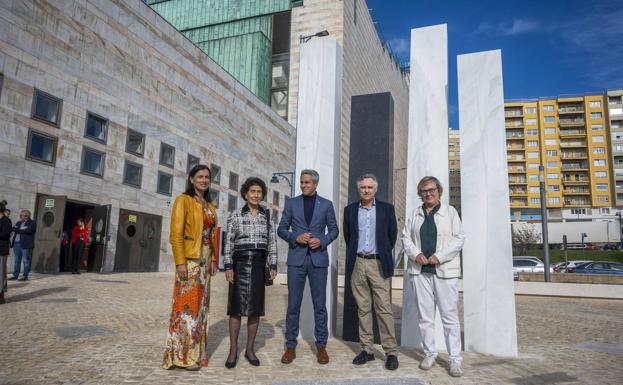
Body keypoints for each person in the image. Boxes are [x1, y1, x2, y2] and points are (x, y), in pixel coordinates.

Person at [402, 176, 465, 377]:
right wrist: (416, 255)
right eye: (424, 191)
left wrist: (439, 256)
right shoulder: (415, 213)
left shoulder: (450, 212)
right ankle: (429, 352)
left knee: (450, 318)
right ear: (420, 194)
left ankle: (455, 359)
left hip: (444, 272)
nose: (428, 194)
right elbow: (406, 238)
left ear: (439, 191)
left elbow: (459, 239)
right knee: (425, 317)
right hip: (420, 272)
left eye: (431, 190)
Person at [277, 169, 339, 365]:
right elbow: (281, 228)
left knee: (320, 306)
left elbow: (334, 230)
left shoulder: (327, 205)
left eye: (307, 182)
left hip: (318, 260)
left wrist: (321, 240)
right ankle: (290, 347)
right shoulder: (292, 203)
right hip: (296, 260)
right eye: (302, 182)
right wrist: (295, 237)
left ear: (315, 184)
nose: (303, 185)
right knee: (293, 306)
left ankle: (321, 347)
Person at [162, 164, 218, 371]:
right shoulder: (183, 200)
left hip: (205, 262)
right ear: (192, 179)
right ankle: (181, 357)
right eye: (200, 176)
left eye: (207, 177)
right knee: (185, 309)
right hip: (190, 261)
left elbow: (212, 236)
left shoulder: (210, 206)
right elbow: (175, 234)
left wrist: (213, 260)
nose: (204, 180)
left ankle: (197, 353)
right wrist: (180, 262)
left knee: (201, 309)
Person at [343, 174, 399, 370]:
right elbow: (348, 237)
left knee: (384, 308)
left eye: (369, 187)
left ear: (376, 189)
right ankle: (367, 350)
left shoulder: (386, 209)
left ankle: (391, 352)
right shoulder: (349, 210)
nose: (366, 190)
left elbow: (392, 237)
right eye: (363, 188)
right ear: (358, 190)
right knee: (363, 308)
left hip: (378, 263)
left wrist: (380, 255)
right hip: (358, 263)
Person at [223, 177, 278, 369]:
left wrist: (272, 265)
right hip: (239, 263)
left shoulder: (267, 216)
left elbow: (272, 242)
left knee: (255, 309)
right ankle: (232, 351)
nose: (256, 195)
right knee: (236, 309)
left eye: (259, 192)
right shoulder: (236, 214)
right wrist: (228, 265)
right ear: (245, 194)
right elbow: (229, 241)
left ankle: (250, 349)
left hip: (259, 263)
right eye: (252, 191)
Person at [9, 210, 36, 281]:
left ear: (27, 216)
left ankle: (25, 276)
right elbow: (13, 228)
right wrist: (21, 229)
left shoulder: (32, 223)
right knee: (17, 260)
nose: (20, 217)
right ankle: (15, 275)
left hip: (25, 244)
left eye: (22, 215)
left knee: (25, 260)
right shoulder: (18, 222)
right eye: (20, 215)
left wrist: (18, 229)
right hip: (16, 244)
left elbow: (29, 231)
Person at [0, 201, 12, 304]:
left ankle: (1, 296)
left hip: (1, 250)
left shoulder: (6, 221)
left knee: (1, 274)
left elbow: (5, 234)